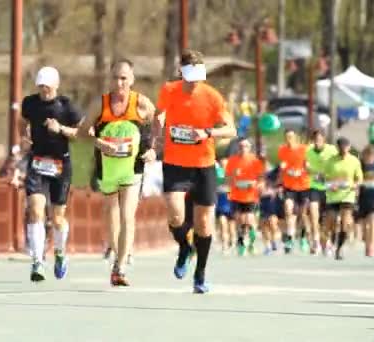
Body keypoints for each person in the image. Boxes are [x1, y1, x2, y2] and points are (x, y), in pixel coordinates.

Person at [152, 50, 236, 293]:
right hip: (175, 164)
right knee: (176, 215)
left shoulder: (212, 97)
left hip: (203, 165)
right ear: (181, 72)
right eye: (190, 76)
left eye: (198, 76)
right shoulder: (169, 90)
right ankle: (184, 247)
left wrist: (207, 133)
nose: (194, 82)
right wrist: (155, 138)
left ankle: (200, 273)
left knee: (204, 224)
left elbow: (230, 129)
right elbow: (159, 116)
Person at [77, 58, 156, 286]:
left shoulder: (141, 103)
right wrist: (99, 142)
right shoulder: (99, 104)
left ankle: (120, 268)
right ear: (109, 79)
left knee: (127, 215)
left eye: (124, 78)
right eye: (115, 78)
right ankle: (116, 253)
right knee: (110, 211)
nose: (119, 82)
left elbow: (159, 123)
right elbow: (83, 131)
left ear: (132, 80)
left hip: (133, 167)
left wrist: (151, 149)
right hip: (108, 166)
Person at [20, 66, 83, 282]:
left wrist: (61, 129)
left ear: (56, 85)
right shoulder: (29, 103)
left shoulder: (66, 107)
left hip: (60, 164)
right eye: (41, 86)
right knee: (35, 210)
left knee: (57, 218)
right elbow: (26, 121)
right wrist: (26, 134)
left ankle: (59, 252)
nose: (44, 90)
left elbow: (81, 133)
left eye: (47, 86)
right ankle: (37, 260)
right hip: (37, 161)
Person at [323, 137, 363, 260]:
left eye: (346, 147)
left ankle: (339, 249)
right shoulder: (330, 161)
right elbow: (325, 178)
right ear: (337, 148)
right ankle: (332, 241)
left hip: (347, 195)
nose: (343, 150)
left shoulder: (354, 160)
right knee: (333, 222)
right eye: (341, 147)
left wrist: (355, 185)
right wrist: (331, 184)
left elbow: (359, 178)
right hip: (333, 196)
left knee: (345, 223)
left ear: (349, 147)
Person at [225, 138, 265, 256]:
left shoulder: (255, 161)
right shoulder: (232, 161)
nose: (243, 149)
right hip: (236, 195)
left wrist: (256, 184)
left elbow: (261, 178)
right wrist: (233, 175)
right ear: (238, 148)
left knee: (249, 219)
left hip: (251, 195)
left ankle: (252, 241)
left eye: (246, 146)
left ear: (250, 148)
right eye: (241, 146)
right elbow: (227, 179)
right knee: (239, 220)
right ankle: (241, 240)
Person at [277, 129, 311, 254]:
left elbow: (308, 167)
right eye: (287, 137)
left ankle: (302, 237)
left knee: (302, 215)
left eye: (291, 137)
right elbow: (282, 167)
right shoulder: (282, 150)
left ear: (295, 137)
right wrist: (280, 182)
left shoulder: (304, 149)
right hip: (289, 186)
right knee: (288, 210)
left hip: (303, 185)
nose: (289, 139)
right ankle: (290, 239)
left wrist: (301, 171)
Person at [305, 130, 338, 255]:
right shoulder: (308, 151)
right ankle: (316, 241)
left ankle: (327, 241)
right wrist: (310, 171)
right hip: (314, 187)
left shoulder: (332, 150)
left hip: (329, 188)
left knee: (328, 218)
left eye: (320, 139)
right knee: (314, 213)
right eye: (315, 139)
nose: (317, 142)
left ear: (324, 140)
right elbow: (306, 166)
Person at [358, 145, 374, 257]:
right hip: (362, 199)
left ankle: (372, 247)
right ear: (363, 156)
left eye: (371, 155)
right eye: (367, 155)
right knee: (365, 226)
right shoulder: (359, 167)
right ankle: (367, 245)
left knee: (372, 222)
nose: (369, 157)